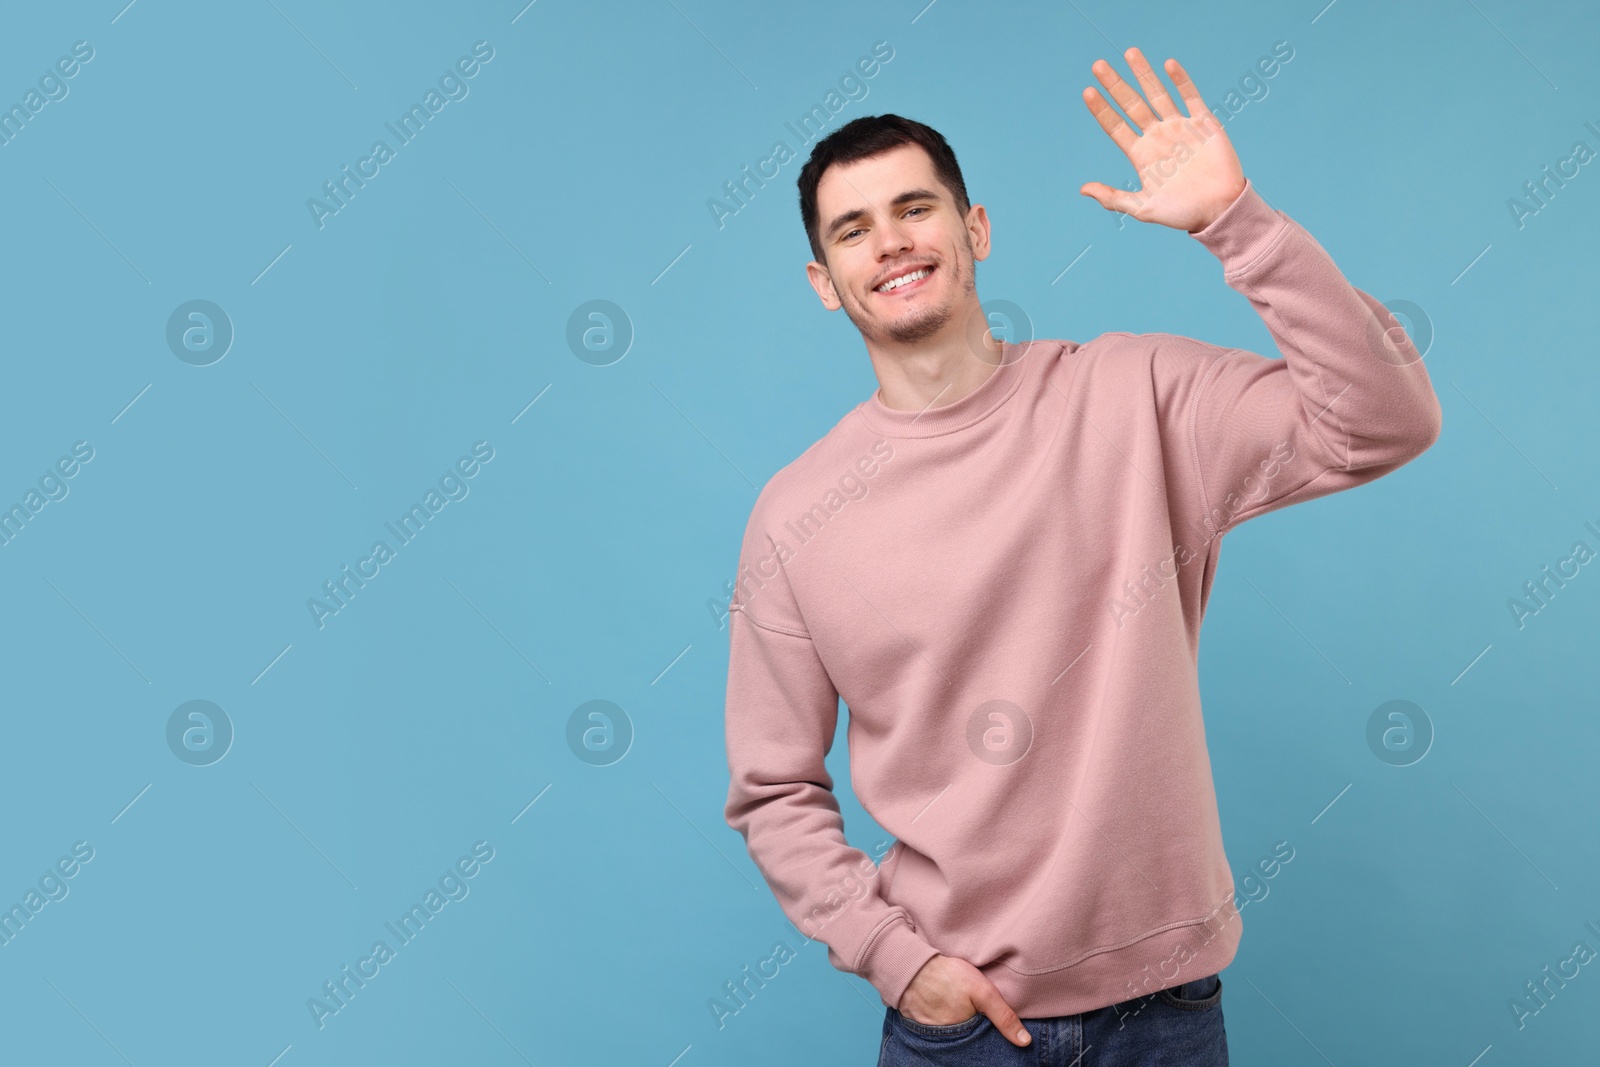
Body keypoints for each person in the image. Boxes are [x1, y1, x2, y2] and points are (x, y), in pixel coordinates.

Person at [721, 47, 1440, 1066]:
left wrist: (1236, 222)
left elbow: (1384, 421)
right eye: (853, 228)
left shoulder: (1133, 395)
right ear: (824, 281)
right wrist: (892, 956)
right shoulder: (794, 513)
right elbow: (772, 788)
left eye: (915, 208)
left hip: (1166, 1014)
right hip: (954, 1026)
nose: (889, 242)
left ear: (974, 230)